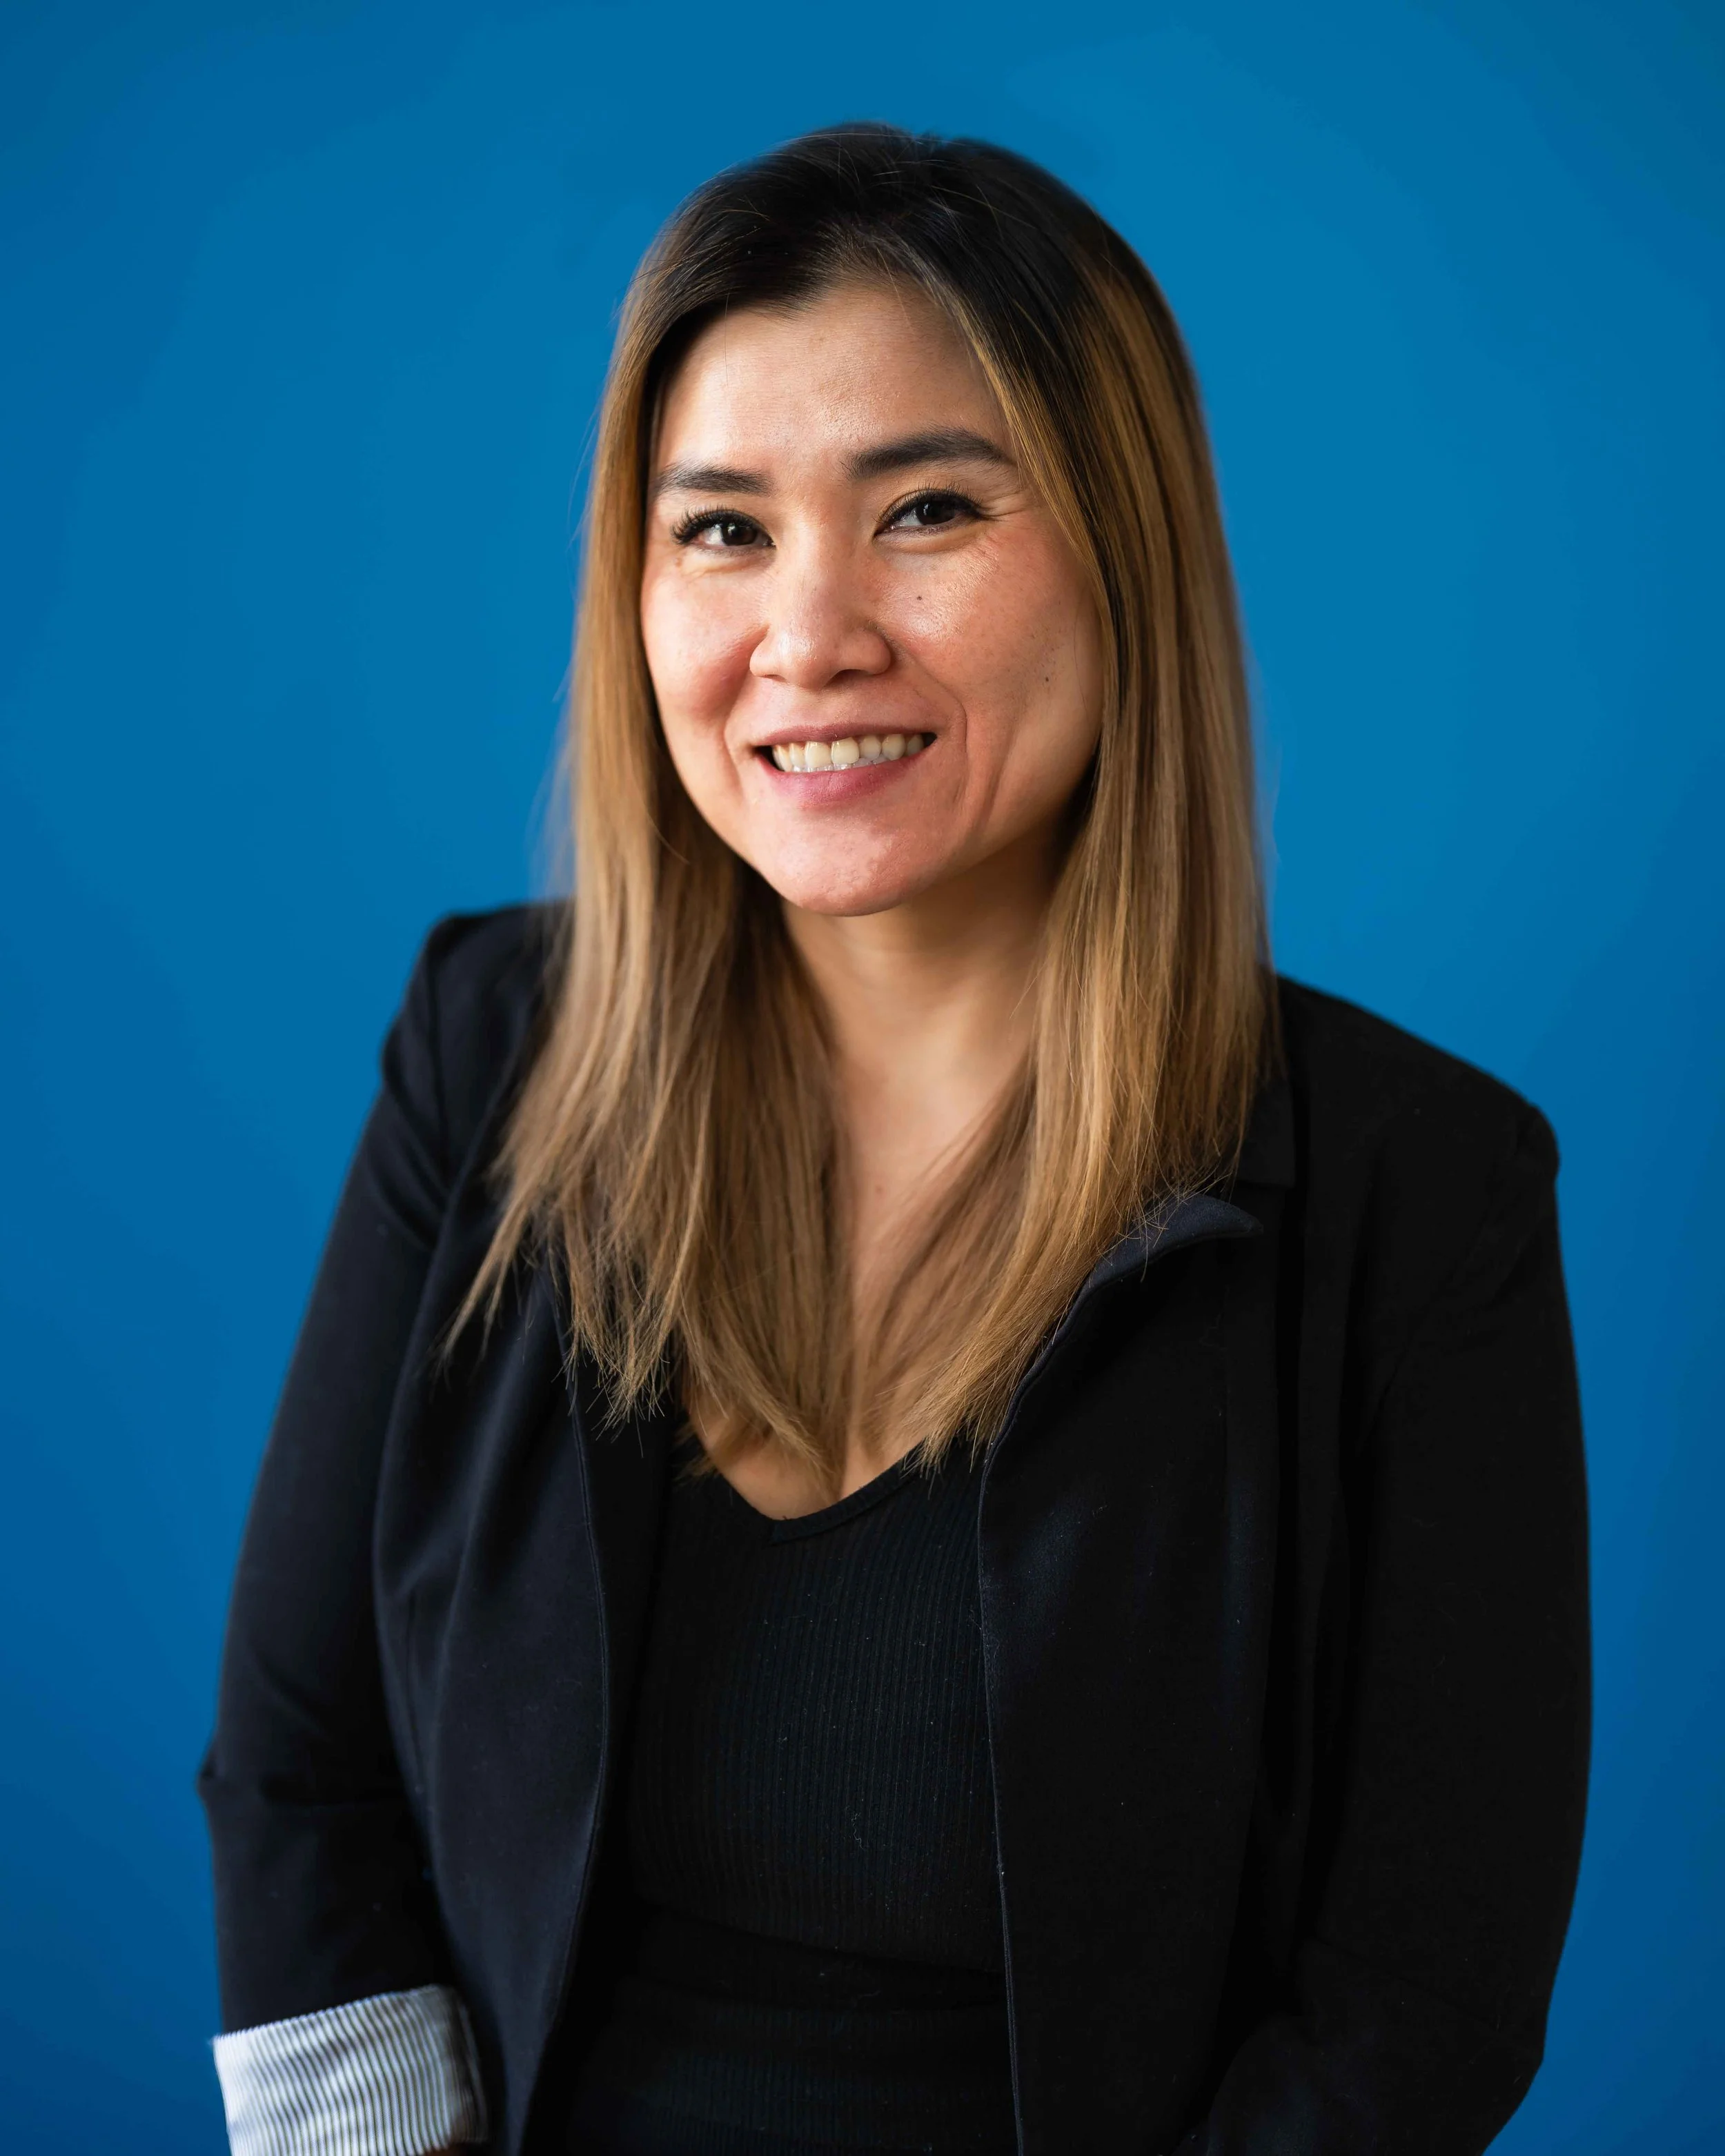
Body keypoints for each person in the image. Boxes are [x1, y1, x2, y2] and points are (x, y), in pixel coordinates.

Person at [199, 125, 1590, 2156]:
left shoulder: (1418, 1192)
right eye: (723, 530)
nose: (809, 633)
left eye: (925, 507)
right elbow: (297, 1776)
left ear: (1126, 551)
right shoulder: (487, 1046)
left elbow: (1416, 2009)